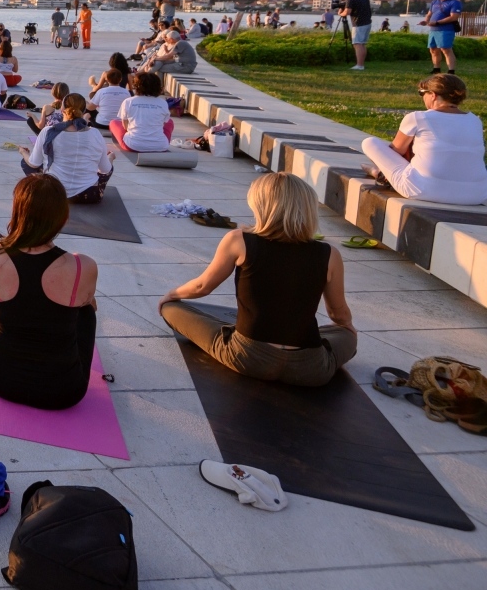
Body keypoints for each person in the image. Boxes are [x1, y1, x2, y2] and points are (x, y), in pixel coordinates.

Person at [159, 173, 356, 386]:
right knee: (346, 335)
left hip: (247, 357)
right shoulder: (329, 254)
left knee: (171, 309)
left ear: (261, 206)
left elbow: (202, 286)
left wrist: (171, 295)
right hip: (310, 369)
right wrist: (347, 330)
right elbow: (338, 313)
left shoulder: (238, 240)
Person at [0, 174, 100, 410]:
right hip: (62, 392)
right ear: (63, 217)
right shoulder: (83, 266)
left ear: (17, 212)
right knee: (86, 311)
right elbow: (87, 302)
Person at [360, 74, 487, 205]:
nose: (422, 98)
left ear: (433, 94)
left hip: (422, 190)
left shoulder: (418, 117)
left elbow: (396, 152)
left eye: (422, 93)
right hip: (476, 195)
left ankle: (380, 174)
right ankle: (380, 174)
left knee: (370, 143)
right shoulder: (475, 121)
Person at [24, 95, 114, 202]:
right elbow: (105, 170)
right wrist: (111, 157)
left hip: (55, 192)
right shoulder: (95, 133)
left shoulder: (48, 131)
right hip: (89, 195)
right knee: (107, 167)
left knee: (25, 162)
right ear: (84, 111)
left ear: (62, 109)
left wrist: (22, 152)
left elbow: (33, 163)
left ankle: (41, 189)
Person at [110, 72, 173, 153]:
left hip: (133, 145)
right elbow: (163, 125)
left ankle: (137, 139)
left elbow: (125, 126)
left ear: (136, 86)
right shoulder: (163, 103)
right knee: (170, 122)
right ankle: (158, 142)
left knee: (113, 123)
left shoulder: (128, 101)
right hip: (161, 146)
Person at [420, 0, 464, 74]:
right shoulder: (435, 2)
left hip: (446, 29)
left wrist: (437, 22)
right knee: (433, 49)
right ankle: (436, 69)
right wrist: (426, 21)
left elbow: (454, 17)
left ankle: (451, 71)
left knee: (446, 49)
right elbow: (429, 14)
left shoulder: (455, 3)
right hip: (433, 30)